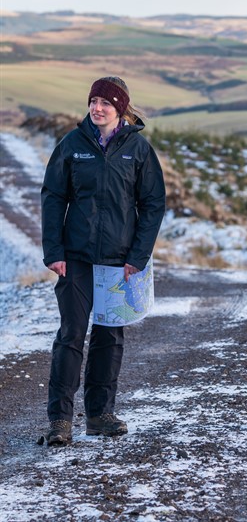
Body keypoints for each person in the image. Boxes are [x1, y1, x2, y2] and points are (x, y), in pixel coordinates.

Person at [41, 76, 166, 446]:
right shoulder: (72, 144)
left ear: (120, 109)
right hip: (76, 257)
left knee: (109, 337)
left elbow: (153, 204)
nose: (97, 108)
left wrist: (138, 256)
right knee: (71, 334)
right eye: (93, 100)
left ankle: (99, 414)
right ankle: (60, 421)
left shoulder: (138, 149)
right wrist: (54, 251)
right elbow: (52, 196)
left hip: (118, 260)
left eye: (105, 103)